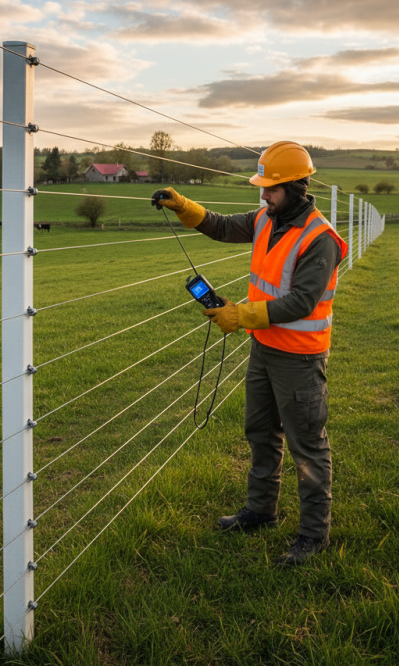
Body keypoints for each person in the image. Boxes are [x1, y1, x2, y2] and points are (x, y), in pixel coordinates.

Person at [152, 141, 348, 567]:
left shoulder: (320, 239)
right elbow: (223, 226)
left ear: (297, 187)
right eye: (262, 188)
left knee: (307, 446)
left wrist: (239, 316)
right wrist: (184, 206)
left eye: (271, 189)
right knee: (260, 434)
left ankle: (314, 536)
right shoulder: (266, 218)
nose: (263, 195)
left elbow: (300, 302)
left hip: (299, 357)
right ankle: (261, 512)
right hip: (264, 349)